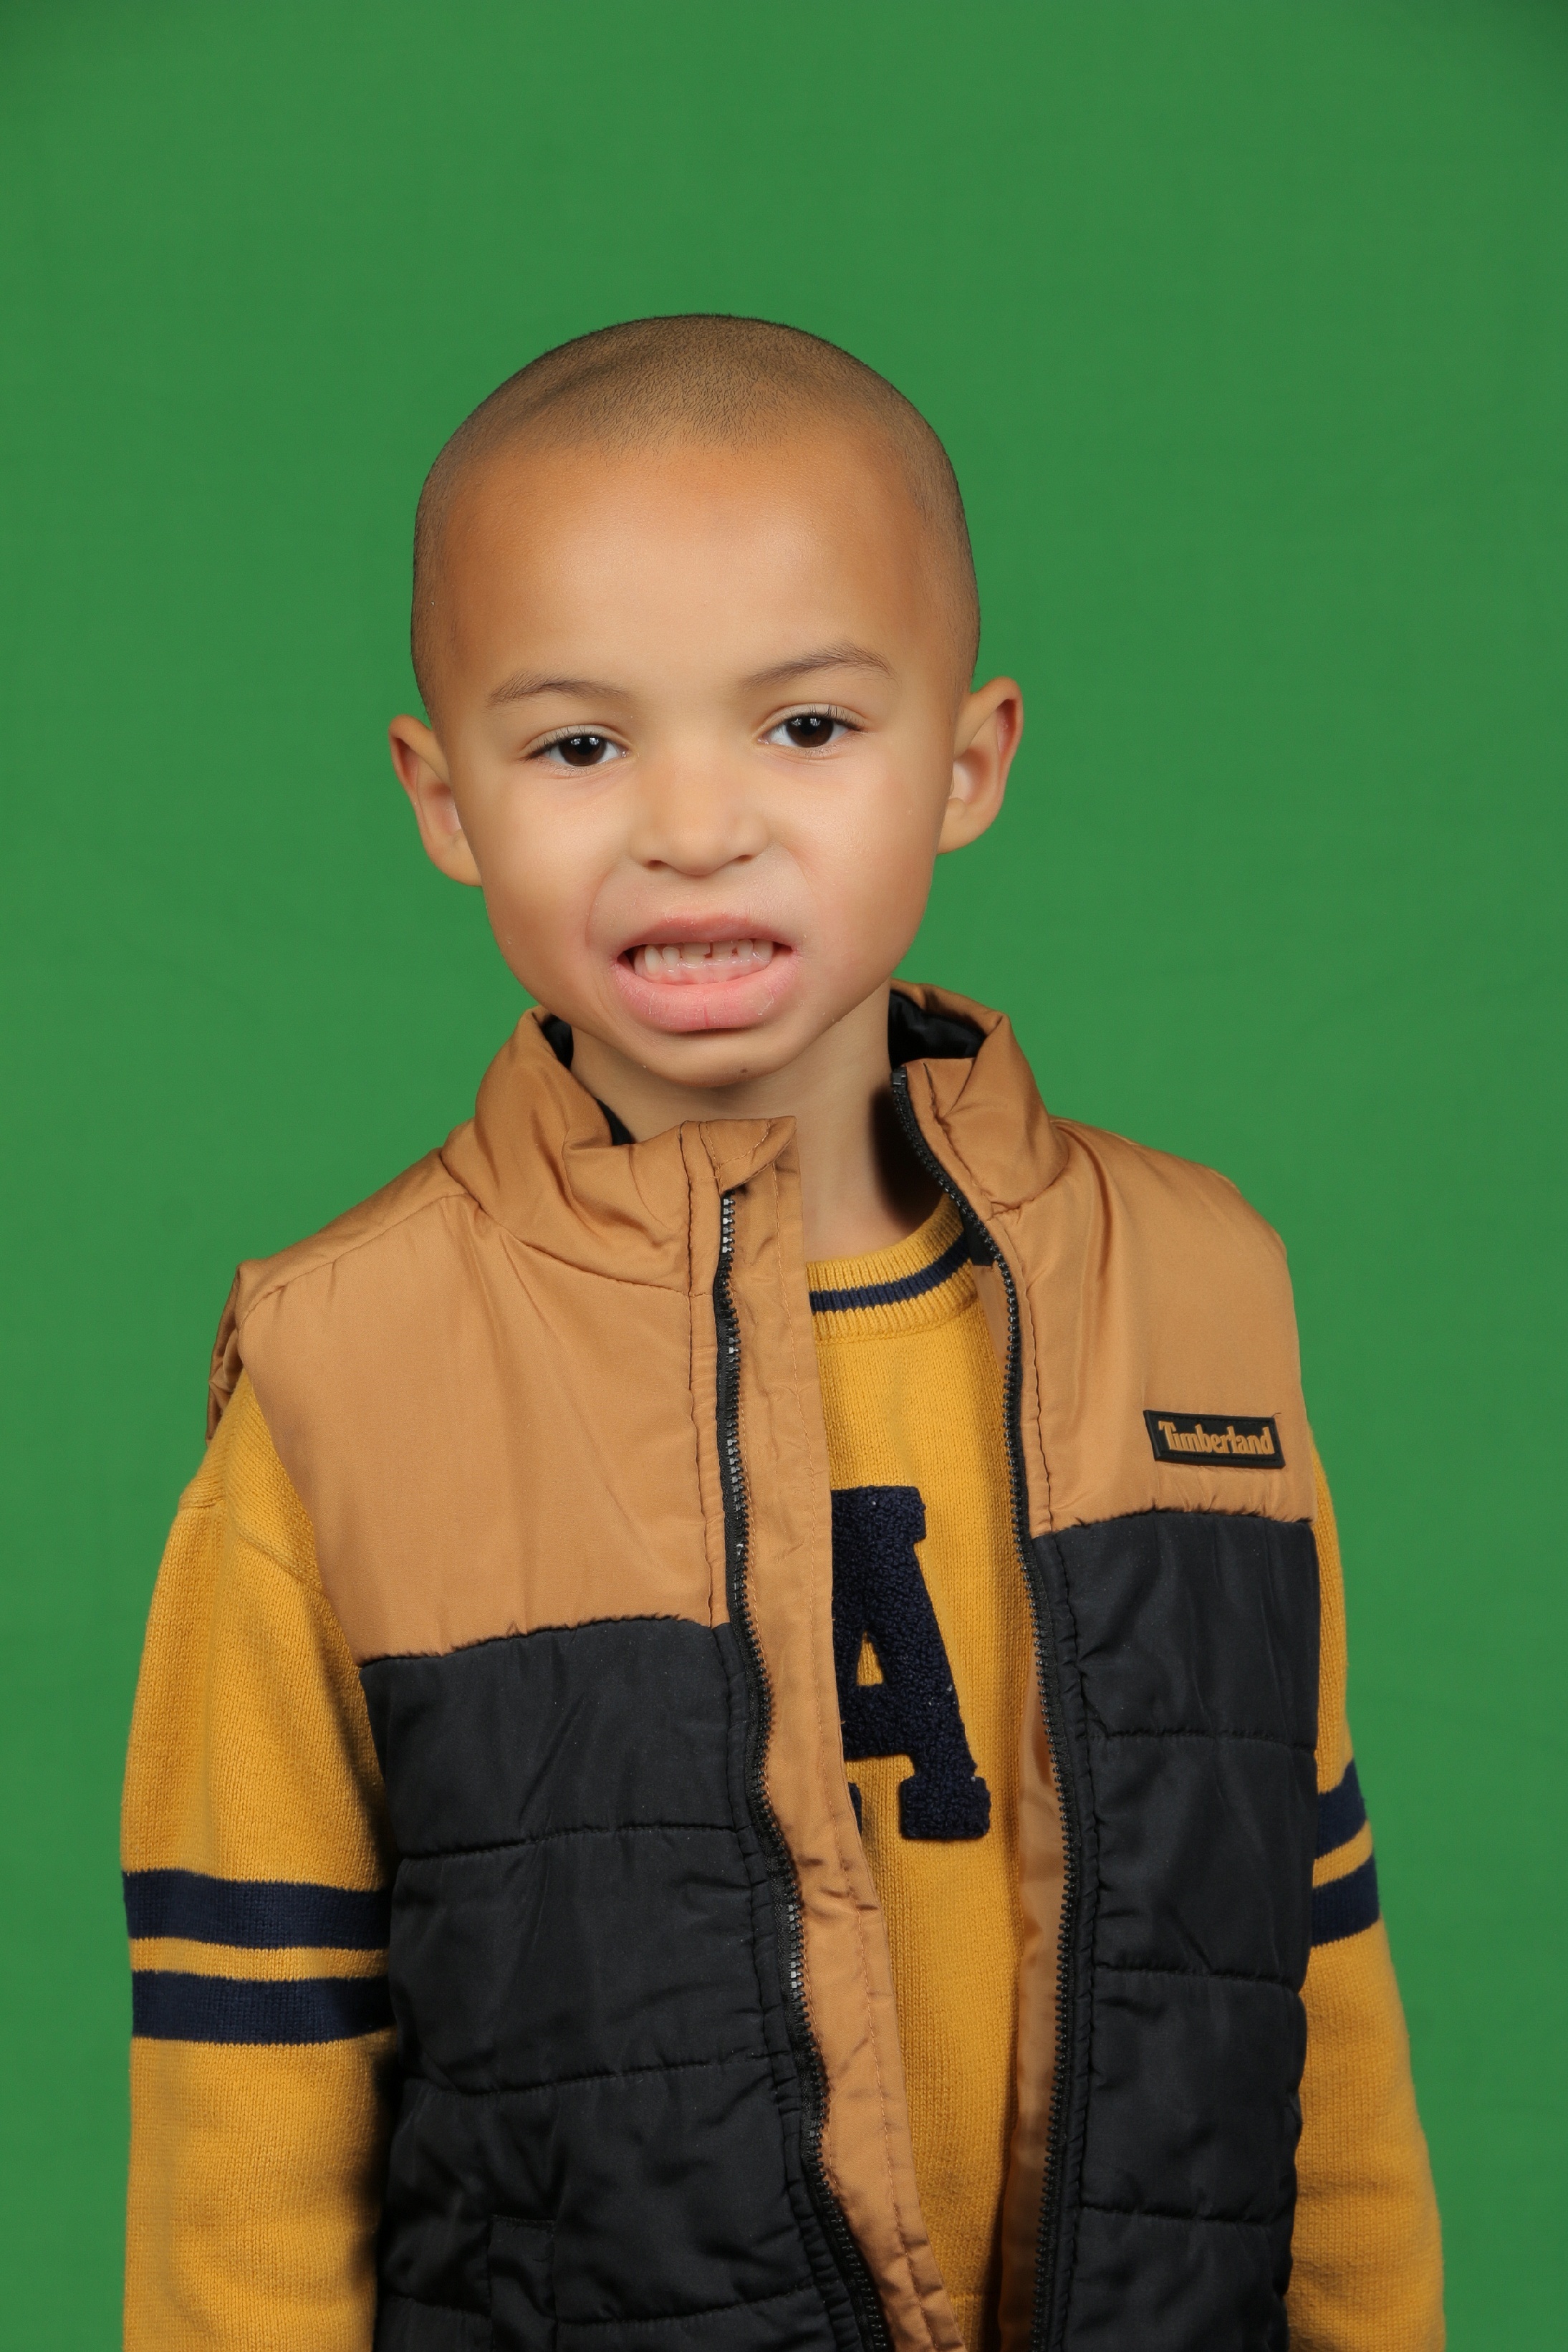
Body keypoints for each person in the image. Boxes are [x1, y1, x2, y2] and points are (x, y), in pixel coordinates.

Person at [121, 315, 1443, 2352]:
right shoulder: (347, 1380)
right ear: (443, 797)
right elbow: (249, 2127)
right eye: (579, 746)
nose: (694, 822)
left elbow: (1316, 2010)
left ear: (970, 761)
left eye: (806, 726)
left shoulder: (1195, 1304)